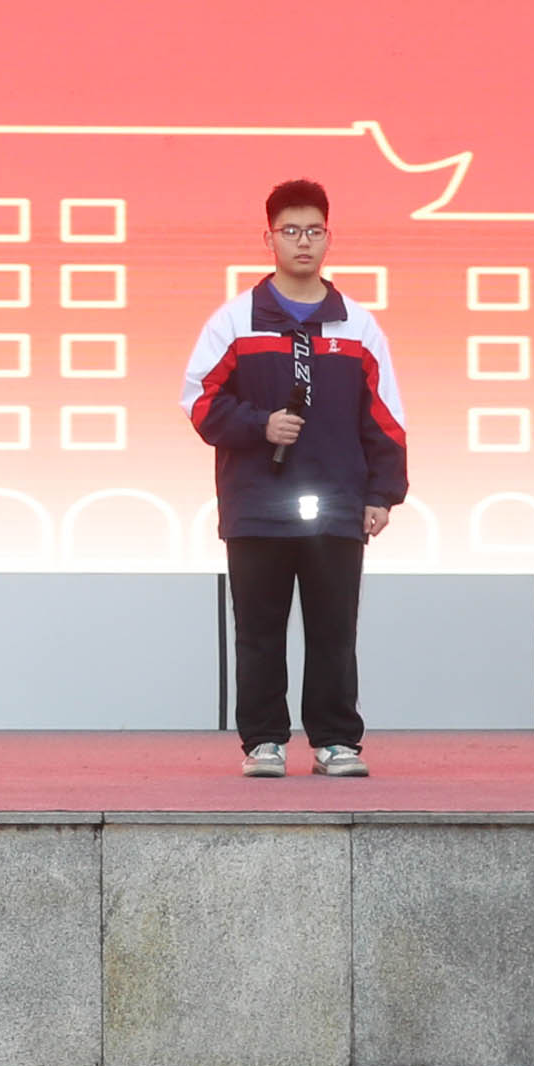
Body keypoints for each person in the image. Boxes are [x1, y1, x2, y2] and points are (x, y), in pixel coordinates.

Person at [180, 179, 408, 780]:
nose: (303, 242)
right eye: (290, 231)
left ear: (329, 237)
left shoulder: (358, 325)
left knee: (334, 630)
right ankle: (263, 742)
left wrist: (382, 493)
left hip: (337, 504)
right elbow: (199, 402)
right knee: (258, 631)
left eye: (313, 231)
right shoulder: (234, 320)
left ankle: (335, 741)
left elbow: (385, 415)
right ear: (269, 239)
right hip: (257, 505)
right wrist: (260, 425)